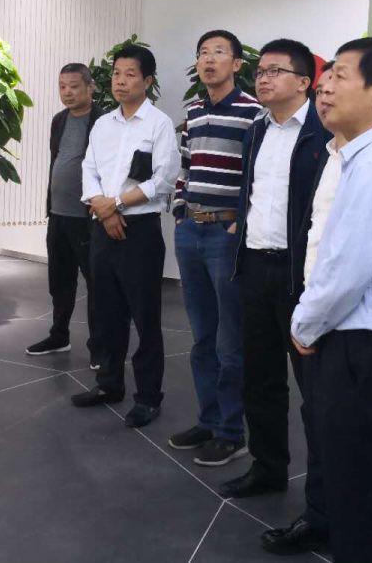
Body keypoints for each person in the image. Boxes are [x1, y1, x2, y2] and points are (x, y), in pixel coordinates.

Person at [263, 61, 372, 557]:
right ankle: (325, 523)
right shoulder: (341, 154)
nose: (324, 88)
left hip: (356, 337)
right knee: (338, 455)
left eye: (339, 77)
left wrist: (306, 323)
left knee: (364, 476)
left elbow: (348, 267)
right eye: (324, 80)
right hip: (334, 329)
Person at [219, 39, 329, 499]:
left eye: (274, 71)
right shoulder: (256, 131)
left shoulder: (323, 134)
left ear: (304, 82)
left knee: (315, 388)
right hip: (254, 267)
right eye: (260, 71)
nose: (262, 78)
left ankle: (324, 494)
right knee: (260, 377)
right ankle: (267, 468)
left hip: (298, 274)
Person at [70, 44, 181, 428]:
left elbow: (163, 180)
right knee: (106, 311)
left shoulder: (159, 124)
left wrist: (114, 204)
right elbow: (89, 169)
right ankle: (109, 383)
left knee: (145, 316)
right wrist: (102, 207)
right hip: (103, 226)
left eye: (130, 74)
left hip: (140, 231)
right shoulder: (103, 124)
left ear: (147, 81)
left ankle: (148, 397)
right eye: (116, 73)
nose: (120, 81)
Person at [168, 30, 262, 466]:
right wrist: (180, 209)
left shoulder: (253, 114)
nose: (209, 60)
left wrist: (240, 221)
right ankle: (208, 420)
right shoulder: (194, 111)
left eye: (219, 53)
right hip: (191, 230)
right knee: (202, 336)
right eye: (203, 53)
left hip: (225, 234)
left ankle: (231, 431)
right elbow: (186, 167)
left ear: (236, 64)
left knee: (229, 340)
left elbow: (259, 176)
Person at [26, 64, 104, 364]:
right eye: (62, 86)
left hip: (87, 217)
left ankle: (99, 348)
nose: (67, 92)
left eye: (73, 86)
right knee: (59, 280)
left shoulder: (103, 121)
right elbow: (57, 160)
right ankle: (59, 336)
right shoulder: (59, 120)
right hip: (58, 213)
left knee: (96, 284)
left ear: (90, 87)